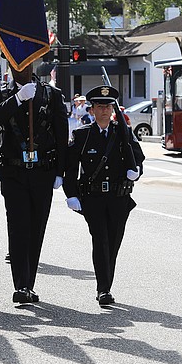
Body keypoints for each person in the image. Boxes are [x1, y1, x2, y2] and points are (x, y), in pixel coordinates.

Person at [0, 63, 68, 305]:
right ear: (11, 65)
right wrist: (18, 99)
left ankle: (28, 282)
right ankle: (21, 285)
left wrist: (61, 171)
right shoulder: (0, 94)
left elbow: (61, 133)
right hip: (13, 171)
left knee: (36, 227)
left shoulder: (51, 94)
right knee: (19, 226)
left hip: (43, 170)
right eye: (16, 62)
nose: (22, 66)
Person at [64, 85, 140, 307]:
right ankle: (103, 289)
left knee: (114, 242)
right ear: (92, 110)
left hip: (119, 197)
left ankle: (106, 283)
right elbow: (71, 167)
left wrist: (135, 171)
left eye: (108, 106)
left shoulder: (123, 132)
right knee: (101, 241)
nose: (104, 110)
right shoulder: (82, 135)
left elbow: (138, 157)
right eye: (100, 106)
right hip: (94, 198)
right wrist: (71, 194)